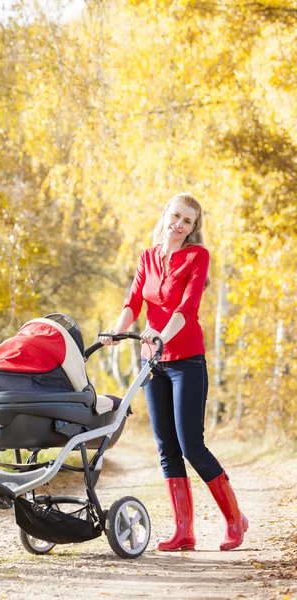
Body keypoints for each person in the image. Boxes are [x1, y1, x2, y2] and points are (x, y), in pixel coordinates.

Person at [99, 193, 248, 552]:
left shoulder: (198, 256)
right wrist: (116, 331)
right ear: (165, 213)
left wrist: (162, 337)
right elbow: (133, 302)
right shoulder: (147, 257)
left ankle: (234, 520)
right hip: (153, 363)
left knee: (191, 445)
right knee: (166, 447)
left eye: (188, 222)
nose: (179, 225)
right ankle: (184, 531)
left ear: (194, 228)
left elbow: (187, 307)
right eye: (176, 216)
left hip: (186, 360)